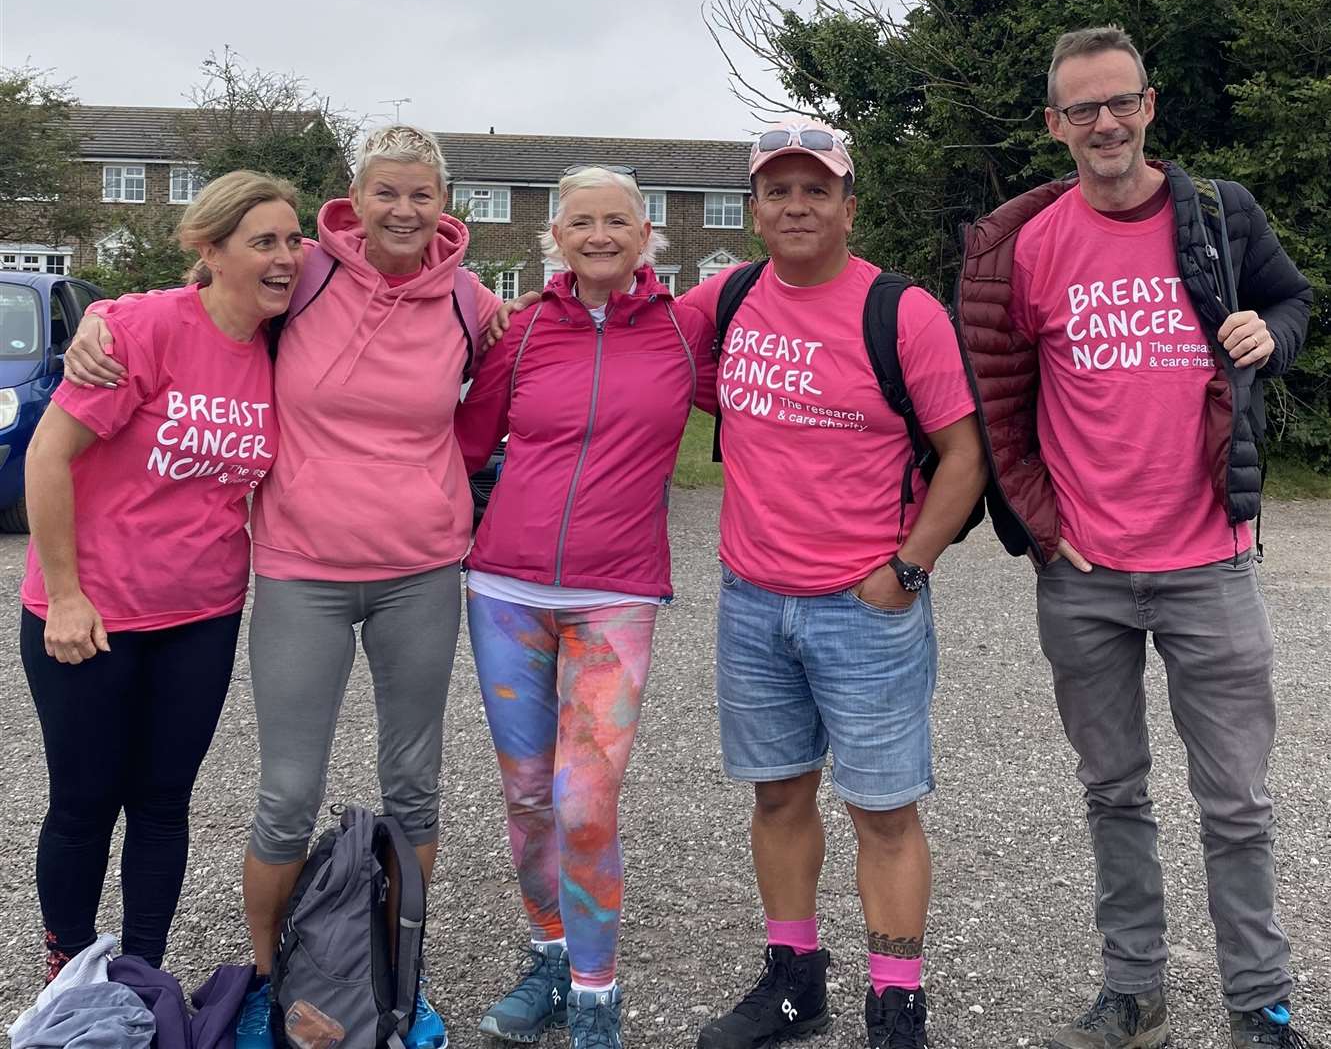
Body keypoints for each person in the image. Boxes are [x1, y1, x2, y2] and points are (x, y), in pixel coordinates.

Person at [61, 124, 502, 1049]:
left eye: (421, 193)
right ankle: (269, 975)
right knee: (286, 796)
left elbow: (496, 385)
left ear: (443, 202)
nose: (403, 210)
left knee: (414, 788)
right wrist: (99, 324)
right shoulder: (305, 275)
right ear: (355, 197)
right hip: (302, 572)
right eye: (386, 191)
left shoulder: (467, 297)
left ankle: (394, 976)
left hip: (420, 568)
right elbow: (203, 296)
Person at [954, 27, 1313, 1049]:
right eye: (1081, 109)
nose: (1102, 123)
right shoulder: (1024, 243)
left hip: (1209, 563)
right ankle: (1132, 986)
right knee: (1111, 791)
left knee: (1235, 801)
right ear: (1053, 124)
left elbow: (1291, 301)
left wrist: (1268, 336)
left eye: (1119, 103)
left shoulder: (1217, 214)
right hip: (1085, 577)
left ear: (1148, 106)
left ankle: (1259, 1000)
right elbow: (996, 401)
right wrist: (1034, 520)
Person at [676, 120, 987, 1049]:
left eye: (816, 190)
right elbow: (626, 324)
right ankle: (792, 983)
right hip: (751, 600)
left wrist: (905, 570)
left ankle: (896, 1006)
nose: (796, 205)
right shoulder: (724, 299)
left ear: (849, 206)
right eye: (778, 190)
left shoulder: (901, 312)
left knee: (883, 810)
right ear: (754, 209)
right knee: (776, 796)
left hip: (864, 609)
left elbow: (962, 456)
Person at [454, 164, 717, 1049]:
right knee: (528, 795)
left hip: (616, 594)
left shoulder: (685, 334)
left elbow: (767, 402)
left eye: (617, 221)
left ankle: (595, 994)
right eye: (580, 222)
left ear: (648, 237)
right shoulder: (521, 332)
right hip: (505, 593)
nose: (598, 235)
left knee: (584, 802)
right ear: (554, 238)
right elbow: (459, 440)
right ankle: (547, 954)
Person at [20, 170, 296, 981]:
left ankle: (141, 970)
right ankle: (67, 965)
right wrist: (66, 596)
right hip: (90, 613)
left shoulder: (283, 344)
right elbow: (47, 456)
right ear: (208, 250)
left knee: (162, 803)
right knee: (82, 803)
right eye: (263, 242)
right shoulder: (140, 328)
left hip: (201, 614)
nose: (285, 257)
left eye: (292, 239)